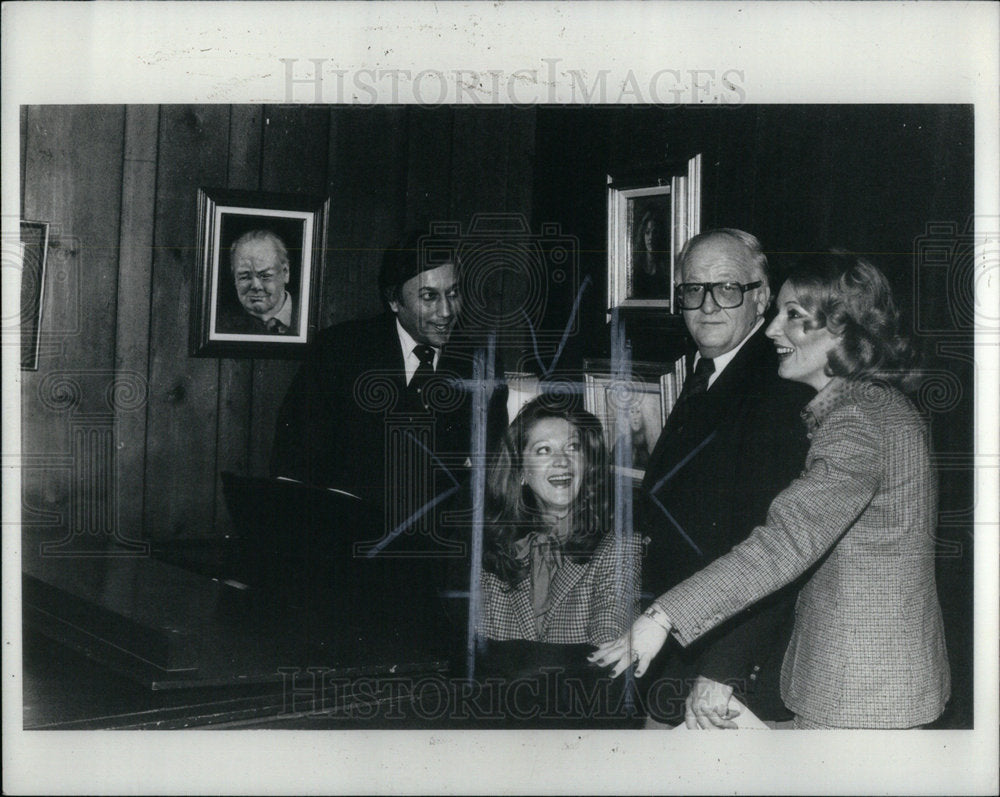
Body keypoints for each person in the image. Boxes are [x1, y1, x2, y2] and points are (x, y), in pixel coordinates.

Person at [592, 250, 951, 730]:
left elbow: (785, 541)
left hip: (860, 694)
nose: (771, 330)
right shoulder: (878, 406)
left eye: (794, 317)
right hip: (871, 681)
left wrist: (662, 617)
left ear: (845, 328)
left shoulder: (857, 423)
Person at [633, 229, 814, 728]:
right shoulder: (706, 369)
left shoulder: (777, 386)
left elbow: (777, 547)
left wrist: (725, 669)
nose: (708, 304)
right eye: (694, 289)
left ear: (760, 297)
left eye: (727, 288)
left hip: (726, 679)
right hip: (678, 657)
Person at [270, 227, 509, 551]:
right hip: (342, 549)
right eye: (429, 297)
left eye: (453, 293)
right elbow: (294, 463)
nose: (447, 312)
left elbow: (493, 474)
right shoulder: (340, 352)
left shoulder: (481, 365)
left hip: (439, 556)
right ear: (394, 300)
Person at [478, 397, 642, 646]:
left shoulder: (620, 547)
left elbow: (609, 646)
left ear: (587, 464)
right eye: (544, 450)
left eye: (573, 448)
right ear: (521, 471)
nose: (562, 461)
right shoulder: (496, 547)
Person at [217, 229, 298, 334]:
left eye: (265, 276)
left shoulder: (310, 316)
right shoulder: (220, 326)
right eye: (245, 277)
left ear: (285, 273)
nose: (256, 286)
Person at [631, 208, 670, 299]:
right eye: (647, 232)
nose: (650, 237)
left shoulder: (666, 271)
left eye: (655, 232)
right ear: (642, 235)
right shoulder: (634, 271)